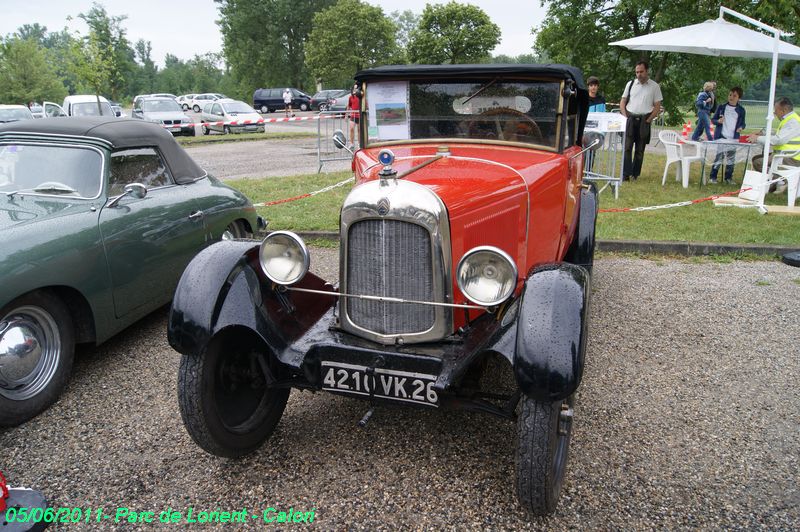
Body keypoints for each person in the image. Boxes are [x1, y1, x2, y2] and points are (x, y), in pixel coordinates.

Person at [620, 60, 663, 181]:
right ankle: (626, 174)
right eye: (637, 72)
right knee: (627, 147)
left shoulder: (654, 86)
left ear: (647, 71)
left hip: (644, 120)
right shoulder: (630, 84)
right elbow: (623, 101)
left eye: (641, 72)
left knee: (640, 149)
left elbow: (657, 105)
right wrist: (625, 116)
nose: (639, 74)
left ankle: (635, 174)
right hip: (630, 118)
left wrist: (649, 119)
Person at [750, 97, 800, 193]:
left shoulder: (792, 122)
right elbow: (780, 134)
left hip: (791, 158)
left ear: (783, 110)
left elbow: (779, 140)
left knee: (758, 162)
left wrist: (757, 138)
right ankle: (775, 182)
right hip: (785, 155)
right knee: (757, 159)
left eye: (776, 110)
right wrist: (763, 133)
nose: (774, 113)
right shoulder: (791, 119)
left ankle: (780, 180)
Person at [708, 87, 746, 184]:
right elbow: (713, 120)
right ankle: (713, 177)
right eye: (730, 95)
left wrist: (741, 127)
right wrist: (718, 121)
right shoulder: (722, 107)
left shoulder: (741, 110)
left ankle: (728, 178)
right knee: (719, 157)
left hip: (733, 139)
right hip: (722, 137)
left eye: (734, 96)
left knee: (731, 159)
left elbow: (743, 123)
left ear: (739, 98)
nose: (731, 97)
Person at [346, 83, 361, 150]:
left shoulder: (361, 96)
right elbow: (349, 106)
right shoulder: (351, 97)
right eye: (354, 88)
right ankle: (352, 144)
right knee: (351, 128)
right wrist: (346, 115)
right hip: (353, 115)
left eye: (357, 88)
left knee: (359, 130)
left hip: (360, 116)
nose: (355, 89)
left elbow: (366, 105)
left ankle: (359, 144)